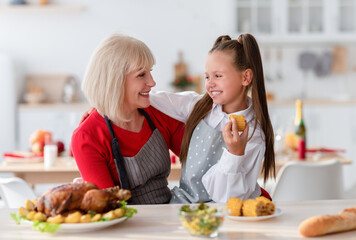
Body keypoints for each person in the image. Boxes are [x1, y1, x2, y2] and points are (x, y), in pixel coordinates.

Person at [149, 34, 275, 203]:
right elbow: (156, 98)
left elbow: (228, 198)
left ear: (245, 77)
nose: (209, 84)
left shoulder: (253, 133)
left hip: (223, 214)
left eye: (218, 76)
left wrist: (235, 154)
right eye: (207, 76)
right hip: (184, 207)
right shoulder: (200, 106)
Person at [71, 34, 185, 204]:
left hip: (167, 214)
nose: (152, 82)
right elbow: (108, 206)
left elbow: (200, 159)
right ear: (114, 80)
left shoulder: (159, 112)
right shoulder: (87, 137)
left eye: (150, 72)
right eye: (141, 75)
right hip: (124, 223)